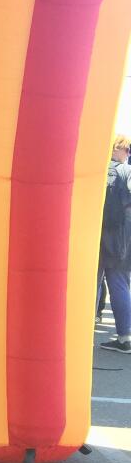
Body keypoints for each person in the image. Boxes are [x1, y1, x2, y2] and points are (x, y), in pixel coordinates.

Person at [98, 134, 131, 352]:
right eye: (126, 151)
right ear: (117, 150)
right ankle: (124, 337)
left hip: (97, 231)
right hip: (120, 235)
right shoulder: (125, 171)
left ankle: (81, 333)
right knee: (119, 282)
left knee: (93, 283)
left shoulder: (99, 172)